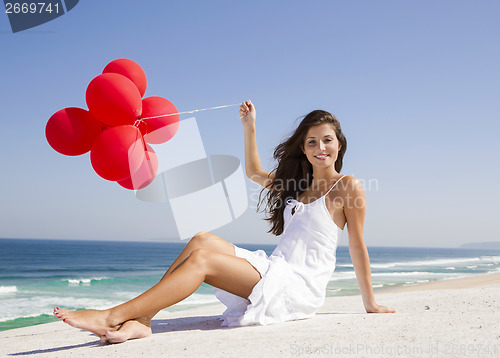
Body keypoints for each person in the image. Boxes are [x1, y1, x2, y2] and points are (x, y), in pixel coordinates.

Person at [54, 100, 395, 344]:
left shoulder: (347, 186)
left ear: (339, 144)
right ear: (303, 149)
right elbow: (253, 172)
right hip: (276, 269)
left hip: (298, 287)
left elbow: (357, 246)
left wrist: (371, 304)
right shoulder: (296, 185)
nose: (320, 147)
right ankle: (142, 320)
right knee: (202, 239)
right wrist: (250, 128)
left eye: (327, 140)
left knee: (204, 261)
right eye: (312, 141)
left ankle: (112, 316)